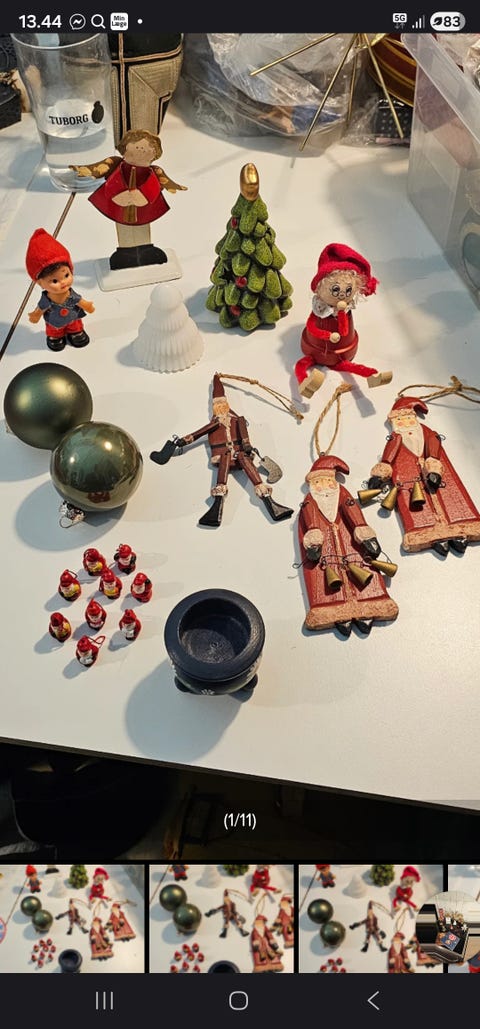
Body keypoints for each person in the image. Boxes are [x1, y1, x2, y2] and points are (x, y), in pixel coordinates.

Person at [150, 374, 294, 527]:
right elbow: (198, 433)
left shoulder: (238, 420)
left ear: (226, 405)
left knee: (244, 459)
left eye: (222, 405)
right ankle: (216, 507)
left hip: (240, 453)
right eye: (217, 405)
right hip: (223, 455)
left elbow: (243, 435)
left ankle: (271, 503)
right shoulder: (215, 423)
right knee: (225, 461)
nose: (220, 408)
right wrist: (183, 441)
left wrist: (246, 444)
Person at [365, 395, 480, 555]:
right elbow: (388, 457)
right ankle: (432, 536)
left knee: (452, 500)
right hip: (408, 476)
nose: (405, 424)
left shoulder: (429, 433)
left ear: (414, 418)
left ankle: (460, 530)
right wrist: (380, 474)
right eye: (400, 420)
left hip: (439, 474)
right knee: (417, 511)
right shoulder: (395, 438)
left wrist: (432, 464)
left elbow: (434, 446)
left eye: (408, 419)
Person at [298, 454, 399, 636]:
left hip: (349, 539)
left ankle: (369, 604)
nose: (323, 486)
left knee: (362, 565)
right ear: (312, 484)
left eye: (327, 481)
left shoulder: (342, 493)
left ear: (334, 481)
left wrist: (362, 531)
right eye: (318, 482)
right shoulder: (309, 500)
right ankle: (334, 610)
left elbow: (352, 508)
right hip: (324, 542)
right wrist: (314, 536)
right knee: (323, 578)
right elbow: (309, 518)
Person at [71, 129, 187, 270]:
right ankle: (125, 251)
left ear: (154, 153)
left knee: (143, 226)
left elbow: (157, 182)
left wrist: (144, 195)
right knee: (123, 226)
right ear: (125, 148)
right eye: (136, 146)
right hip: (120, 201)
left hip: (144, 204)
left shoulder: (153, 171)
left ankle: (145, 249)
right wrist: (117, 193)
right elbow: (101, 169)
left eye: (146, 148)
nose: (141, 150)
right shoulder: (116, 164)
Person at [295, 242, 391, 398]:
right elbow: (311, 327)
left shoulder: (345, 311)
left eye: (348, 290)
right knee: (301, 364)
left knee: (348, 366)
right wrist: (328, 336)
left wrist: (340, 314)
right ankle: (304, 382)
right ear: (320, 287)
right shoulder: (320, 310)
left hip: (340, 354)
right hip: (314, 350)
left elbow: (345, 331)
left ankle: (372, 375)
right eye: (335, 289)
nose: (342, 295)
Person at [25, 228, 94, 350]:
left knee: (75, 324)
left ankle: (76, 333)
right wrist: (36, 315)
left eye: (66, 275)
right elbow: (41, 307)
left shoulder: (71, 295)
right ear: (40, 283)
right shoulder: (47, 299)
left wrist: (87, 305)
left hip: (72, 317)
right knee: (54, 329)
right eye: (54, 281)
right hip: (54, 321)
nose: (63, 282)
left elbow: (79, 301)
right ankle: (55, 337)